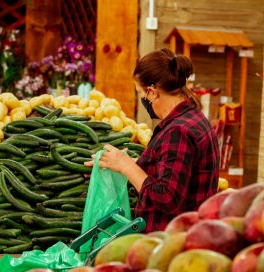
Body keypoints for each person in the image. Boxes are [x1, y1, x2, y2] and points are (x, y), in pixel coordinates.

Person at [85, 48, 219, 232]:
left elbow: (167, 197)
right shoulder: (192, 118)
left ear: (152, 92)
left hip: (169, 242)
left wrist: (127, 166)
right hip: (182, 236)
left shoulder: (178, 131)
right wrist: (120, 164)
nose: (143, 100)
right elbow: (172, 172)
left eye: (141, 95)